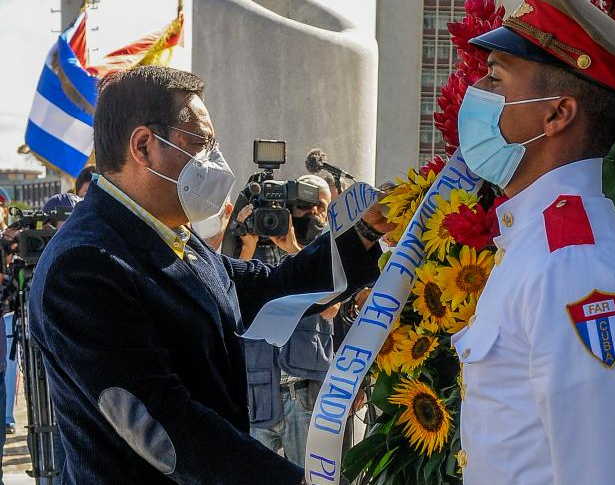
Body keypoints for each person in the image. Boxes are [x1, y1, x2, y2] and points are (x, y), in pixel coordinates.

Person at [27, 66, 391, 485]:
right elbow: (163, 425)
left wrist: (364, 234)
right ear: (143, 146)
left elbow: (271, 289)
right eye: (201, 144)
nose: (215, 162)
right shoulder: (85, 265)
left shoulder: (174, 237)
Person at [450, 1, 615, 484]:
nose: (475, 91)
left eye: (496, 79)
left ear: (557, 114)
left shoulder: (576, 263)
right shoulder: (539, 240)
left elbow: (609, 472)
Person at [242, 174, 340, 466]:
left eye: (318, 207)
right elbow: (236, 299)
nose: (312, 214)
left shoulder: (323, 243)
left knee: (311, 476)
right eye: (302, 206)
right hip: (260, 389)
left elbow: (331, 306)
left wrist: (294, 251)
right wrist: (246, 240)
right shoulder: (253, 237)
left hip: (304, 388)